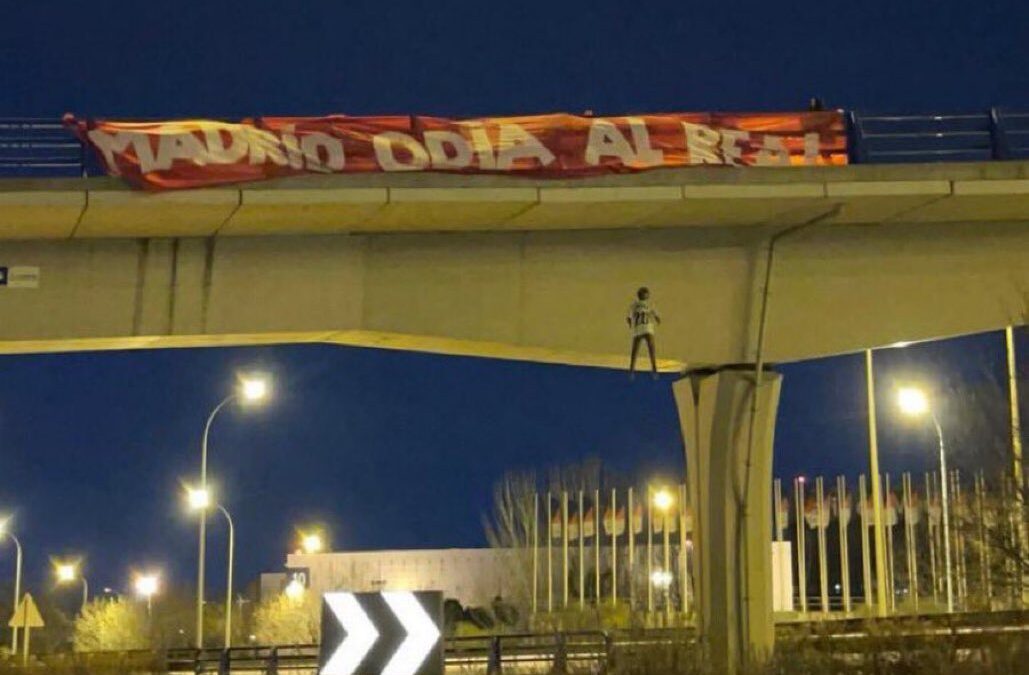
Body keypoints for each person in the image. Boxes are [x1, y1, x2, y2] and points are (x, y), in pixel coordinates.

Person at [627, 286, 660, 379]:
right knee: (649, 350)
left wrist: (629, 322)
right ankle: (653, 371)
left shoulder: (635, 305)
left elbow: (629, 316)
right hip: (646, 328)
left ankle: (632, 371)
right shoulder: (647, 304)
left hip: (640, 328)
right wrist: (657, 318)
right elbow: (654, 313)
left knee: (637, 351)